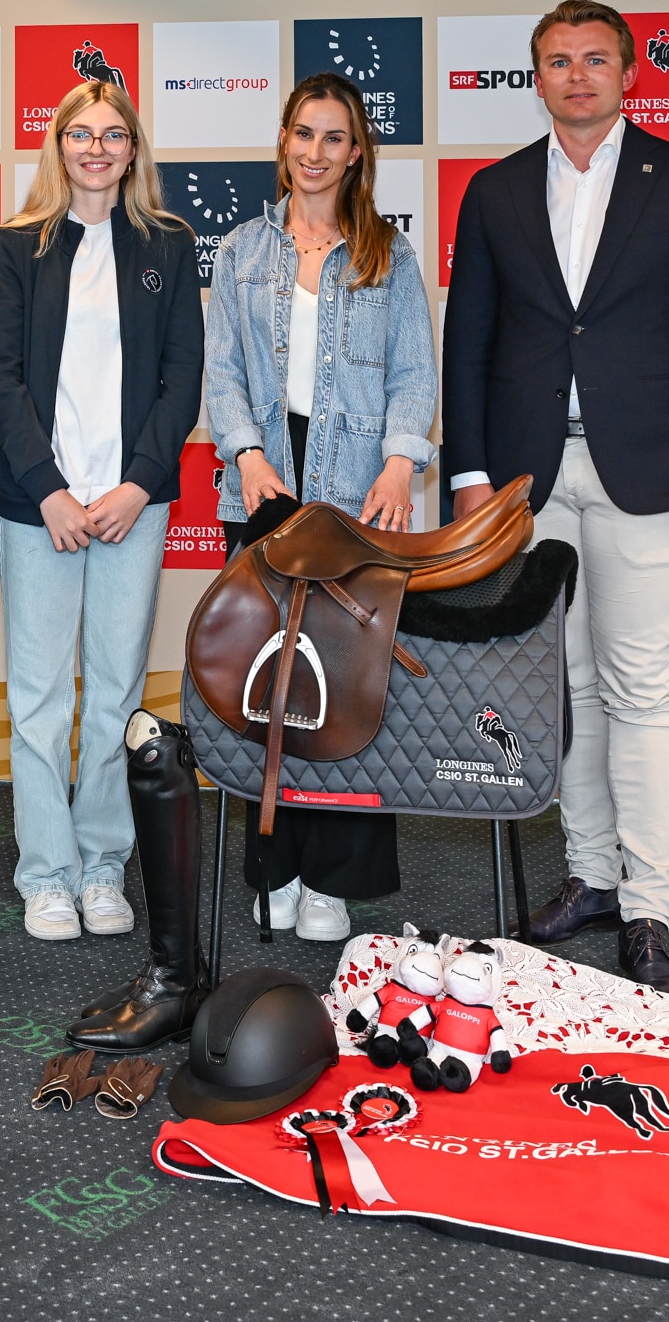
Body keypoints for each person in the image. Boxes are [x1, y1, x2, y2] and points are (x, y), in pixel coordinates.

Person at [442, 0, 669, 994]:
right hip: (528, 478)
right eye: (555, 61)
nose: (574, 76)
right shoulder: (493, 190)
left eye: (592, 60)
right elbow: (469, 341)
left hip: (644, 469)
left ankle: (647, 908)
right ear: (532, 78)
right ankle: (586, 876)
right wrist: (465, 476)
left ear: (628, 74)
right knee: (564, 690)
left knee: (636, 684)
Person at [204, 72, 438, 944]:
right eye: (304, 133)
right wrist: (248, 452)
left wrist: (400, 462)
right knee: (265, 686)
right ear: (284, 139)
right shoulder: (240, 252)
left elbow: (416, 372)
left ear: (356, 151)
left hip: (358, 492)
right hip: (266, 485)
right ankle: (276, 867)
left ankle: (333, 880)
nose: (315, 151)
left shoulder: (391, 254)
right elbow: (221, 369)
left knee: (345, 687)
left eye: (334, 137)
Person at [0, 81, 202, 943]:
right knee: (39, 699)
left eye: (114, 134)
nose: (97, 148)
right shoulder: (17, 246)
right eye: (81, 132)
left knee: (113, 695)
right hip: (40, 506)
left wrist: (137, 484)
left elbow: (183, 376)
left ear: (133, 148)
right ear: (58, 144)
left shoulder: (169, 245)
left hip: (129, 507)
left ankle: (104, 866)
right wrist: (49, 489)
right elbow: (2, 377)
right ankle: (46, 873)